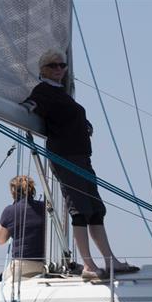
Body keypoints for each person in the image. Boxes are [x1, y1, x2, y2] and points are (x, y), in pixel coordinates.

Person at [23, 49, 137, 280]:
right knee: (80, 211)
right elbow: (30, 105)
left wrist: (85, 124)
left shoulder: (61, 93)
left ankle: (110, 261)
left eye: (62, 65)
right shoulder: (43, 90)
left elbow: (67, 116)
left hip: (81, 157)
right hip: (65, 157)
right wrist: (25, 109)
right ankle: (88, 266)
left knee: (96, 210)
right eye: (54, 66)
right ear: (43, 70)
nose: (59, 69)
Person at [0, 175, 46, 281]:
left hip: (21, 265)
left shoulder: (9, 211)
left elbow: (0, 240)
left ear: (13, 192)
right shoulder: (45, 208)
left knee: (3, 277)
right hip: (45, 264)